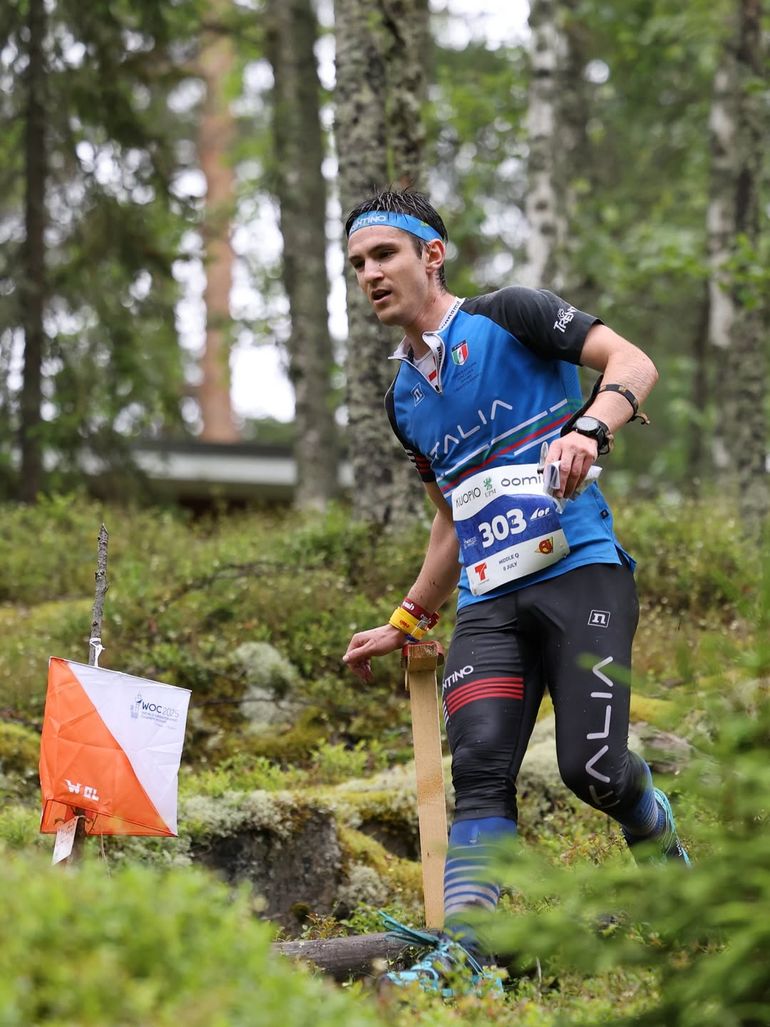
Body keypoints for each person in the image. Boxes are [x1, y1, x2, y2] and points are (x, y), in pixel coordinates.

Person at [341, 188, 689, 995]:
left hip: (581, 572)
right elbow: (451, 520)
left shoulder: (511, 314)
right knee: (481, 768)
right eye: (356, 264)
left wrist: (590, 426)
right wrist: (407, 617)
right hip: (490, 603)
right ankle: (470, 955)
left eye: (384, 253)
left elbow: (633, 363)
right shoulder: (402, 400)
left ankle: (659, 837)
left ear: (431, 254)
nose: (370, 274)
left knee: (592, 767)